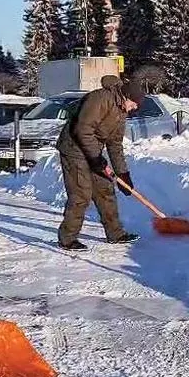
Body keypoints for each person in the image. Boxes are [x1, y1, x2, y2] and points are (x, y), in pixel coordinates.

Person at [55, 74, 145, 251]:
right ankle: (67, 239)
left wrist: (123, 174)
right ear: (127, 97)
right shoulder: (100, 99)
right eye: (134, 103)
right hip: (74, 149)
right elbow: (82, 130)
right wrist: (95, 158)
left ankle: (115, 233)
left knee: (105, 189)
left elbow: (115, 144)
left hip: (92, 150)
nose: (135, 108)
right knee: (81, 194)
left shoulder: (121, 111)